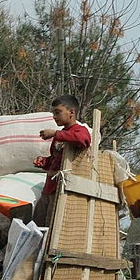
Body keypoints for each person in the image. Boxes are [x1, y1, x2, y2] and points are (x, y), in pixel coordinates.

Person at [32, 94, 92, 226]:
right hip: (48, 189)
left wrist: (55, 133)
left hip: (62, 191)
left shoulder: (79, 130)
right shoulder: (60, 135)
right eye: (53, 113)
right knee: (37, 226)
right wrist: (44, 162)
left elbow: (83, 139)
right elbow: (55, 159)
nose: (54, 116)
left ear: (71, 112)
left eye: (58, 112)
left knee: (50, 228)